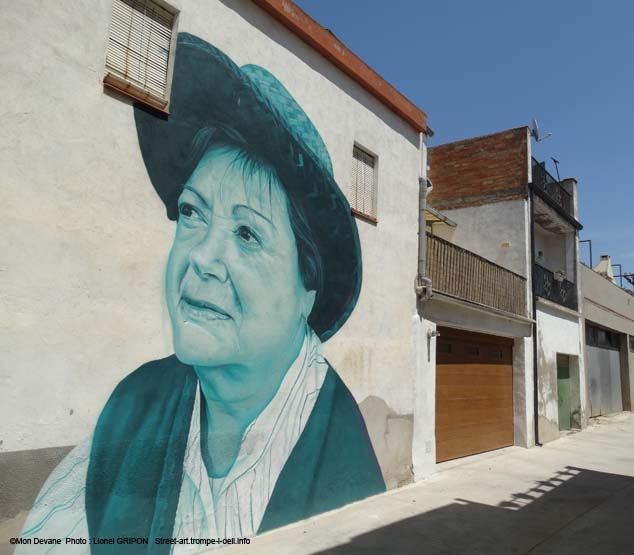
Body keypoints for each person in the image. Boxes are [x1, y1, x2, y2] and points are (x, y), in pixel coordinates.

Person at [19, 33, 384, 553]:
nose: (203, 259)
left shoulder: (345, 468)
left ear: (308, 290)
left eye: (247, 233)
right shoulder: (135, 406)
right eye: (192, 214)